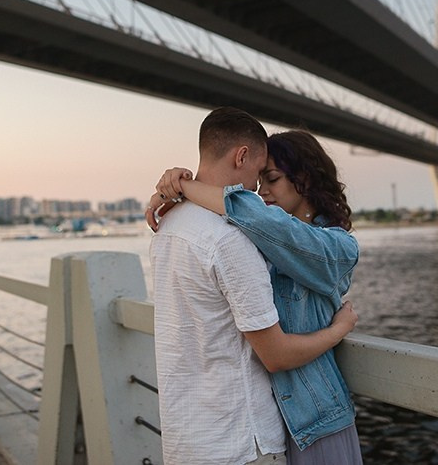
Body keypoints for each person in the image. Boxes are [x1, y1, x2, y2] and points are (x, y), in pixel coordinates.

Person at [150, 108, 358, 465]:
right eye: (260, 177)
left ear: (306, 179)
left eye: (271, 178)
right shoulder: (246, 239)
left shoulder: (337, 247)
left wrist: (183, 186)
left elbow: (265, 221)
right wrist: (181, 190)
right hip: (267, 423)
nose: (260, 191)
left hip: (313, 416)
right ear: (242, 156)